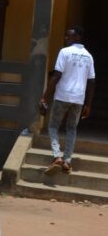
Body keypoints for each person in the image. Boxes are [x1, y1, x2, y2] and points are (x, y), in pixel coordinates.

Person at [40, 27, 95, 174]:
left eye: (68, 36)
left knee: (53, 126)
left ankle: (57, 156)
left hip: (63, 96)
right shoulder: (88, 56)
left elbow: (56, 76)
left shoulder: (64, 52)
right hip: (78, 99)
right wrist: (88, 104)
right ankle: (67, 161)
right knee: (71, 128)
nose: (66, 38)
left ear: (77, 37)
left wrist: (45, 97)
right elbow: (91, 82)